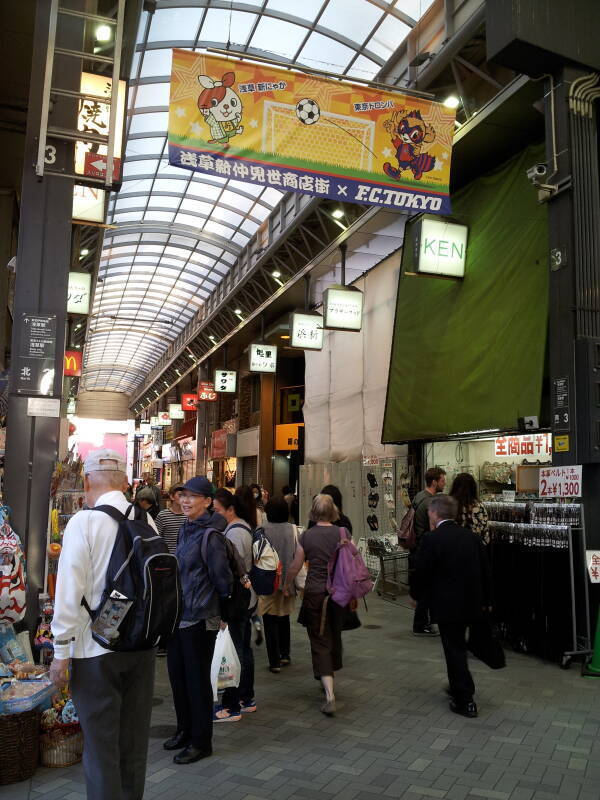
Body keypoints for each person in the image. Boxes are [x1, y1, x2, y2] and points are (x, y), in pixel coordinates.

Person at [49, 448, 158, 800]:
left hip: (95, 648)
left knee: (100, 748)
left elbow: (69, 590)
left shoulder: (83, 522)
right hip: (141, 645)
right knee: (133, 744)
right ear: (126, 482)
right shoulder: (145, 519)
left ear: (86, 481)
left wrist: (60, 652)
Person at [164, 476, 232, 764]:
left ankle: (202, 741)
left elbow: (223, 580)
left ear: (208, 501)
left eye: (193, 496)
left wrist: (222, 615)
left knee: (197, 681)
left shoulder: (211, 536)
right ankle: (184, 729)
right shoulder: (185, 528)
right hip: (179, 616)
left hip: (201, 618)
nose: (186, 500)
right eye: (183, 495)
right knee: (177, 677)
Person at [411, 494, 491, 719]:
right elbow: (486, 570)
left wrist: (416, 595)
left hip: (448, 605)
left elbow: (422, 571)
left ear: (435, 514)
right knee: (458, 647)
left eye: (429, 513)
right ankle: (459, 685)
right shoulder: (472, 538)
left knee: (454, 648)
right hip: (472, 602)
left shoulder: (432, 539)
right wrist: (487, 600)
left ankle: (464, 698)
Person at [284, 493, 346, 717]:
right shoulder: (342, 533)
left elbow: (295, 566)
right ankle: (329, 674)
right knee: (333, 635)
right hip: (338, 594)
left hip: (315, 594)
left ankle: (329, 693)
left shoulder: (307, 536)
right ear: (333, 511)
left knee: (319, 640)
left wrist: (286, 585)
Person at [212, 488, 257, 721]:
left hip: (237, 602)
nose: (215, 514)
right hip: (245, 600)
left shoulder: (235, 533)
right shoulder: (238, 528)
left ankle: (232, 705)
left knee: (235, 651)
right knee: (242, 649)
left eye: (218, 510)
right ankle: (245, 698)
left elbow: (232, 573)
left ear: (230, 509)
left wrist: (224, 607)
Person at [260, 496, 298, 673]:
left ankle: (274, 661)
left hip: (267, 583)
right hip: (287, 583)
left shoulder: (262, 530)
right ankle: (285, 654)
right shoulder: (293, 529)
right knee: (284, 618)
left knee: (269, 621)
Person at [409, 467, 446, 636]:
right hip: (425, 548)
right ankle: (421, 624)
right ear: (434, 482)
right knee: (427, 589)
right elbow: (433, 529)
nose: (444, 483)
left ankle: (423, 622)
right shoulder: (430, 502)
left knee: (425, 587)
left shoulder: (418, 496)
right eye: (442, 480)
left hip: (417, 547)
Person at [449, 472, 489, 543]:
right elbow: (485, 534)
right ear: (473, 488)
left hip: (452, 547)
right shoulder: (479, 507)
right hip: (473, 548)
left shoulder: (449, 505)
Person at [155, 484, 186, 554]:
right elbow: (156, 537)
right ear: (172, 497)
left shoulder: (189, 516)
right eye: (180, 495)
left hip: (185, 557)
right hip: (168, 556)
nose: (183, 498)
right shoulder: (163, 515)